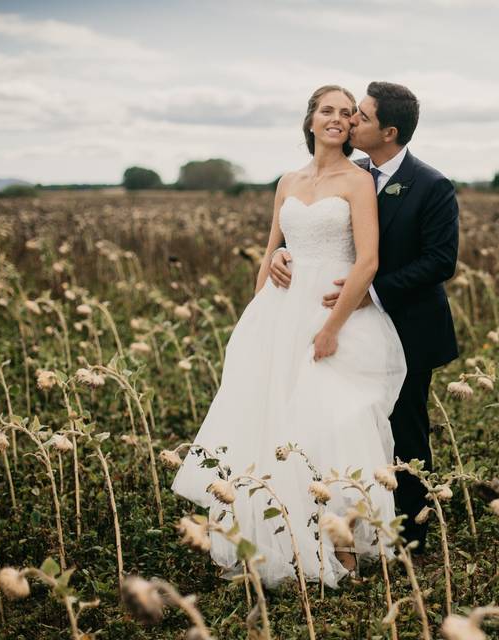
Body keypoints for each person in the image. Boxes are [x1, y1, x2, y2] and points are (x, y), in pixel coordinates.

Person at [171, 84, 408, 590]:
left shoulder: (358, 180)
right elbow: (272, 249)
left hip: (332, 314)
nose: (338, 119)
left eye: (347, 113)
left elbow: (368, 261)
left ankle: (341, 547)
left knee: (332, 422)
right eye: (328, 110)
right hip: (282, 313)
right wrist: (260, 309)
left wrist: (330, 329)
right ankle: (273, 540)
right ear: (310, 120)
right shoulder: (287, 181)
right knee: (271, 421)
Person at [270, 81, 460, 557]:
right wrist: (284, 256)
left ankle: (412, 537)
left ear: (388, 131)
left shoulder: (431, 185)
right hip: (340, 319)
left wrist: (368, 292)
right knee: (342, 422)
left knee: (404, 428)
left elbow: (440, 261)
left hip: (409, 325)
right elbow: (319, 232)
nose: (351, 122)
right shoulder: (350, 172)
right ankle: (348, 526)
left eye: (362, 116)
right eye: (347, 114)